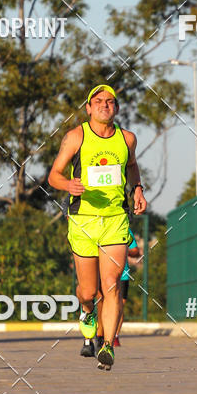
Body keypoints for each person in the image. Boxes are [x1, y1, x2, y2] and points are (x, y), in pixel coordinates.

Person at [48, 84, 147, 370]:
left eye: (111, 101)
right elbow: (53, 174)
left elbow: (132, 167)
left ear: (116, 108)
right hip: (83, 221)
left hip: (115, 220)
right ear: (89, 108)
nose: (105, 105)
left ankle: (107, 346)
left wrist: (138, 189)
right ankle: (87, 310)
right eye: (99, 101)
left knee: (112, 285)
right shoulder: (76, 137)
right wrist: (68, 184)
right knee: (89, 290)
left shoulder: (127, 139)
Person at [114, 228, 141, 347]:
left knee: (120, 305)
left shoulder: (126, 230)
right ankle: (101, 334)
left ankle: (115, 336)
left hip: (123, 274)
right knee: (104, 303)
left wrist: (125, 250)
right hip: (104, 273)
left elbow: (136, 251)